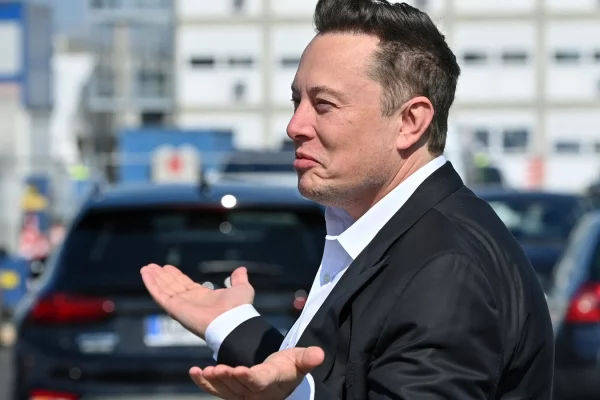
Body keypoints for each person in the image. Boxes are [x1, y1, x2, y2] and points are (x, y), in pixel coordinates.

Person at [140, 0, 554, 398]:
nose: (295, 125)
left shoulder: (444, 268)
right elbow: (327, 383)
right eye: (297, 101)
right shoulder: (398, 235)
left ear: (410, 122)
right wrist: (231, 325)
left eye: (324, 105)